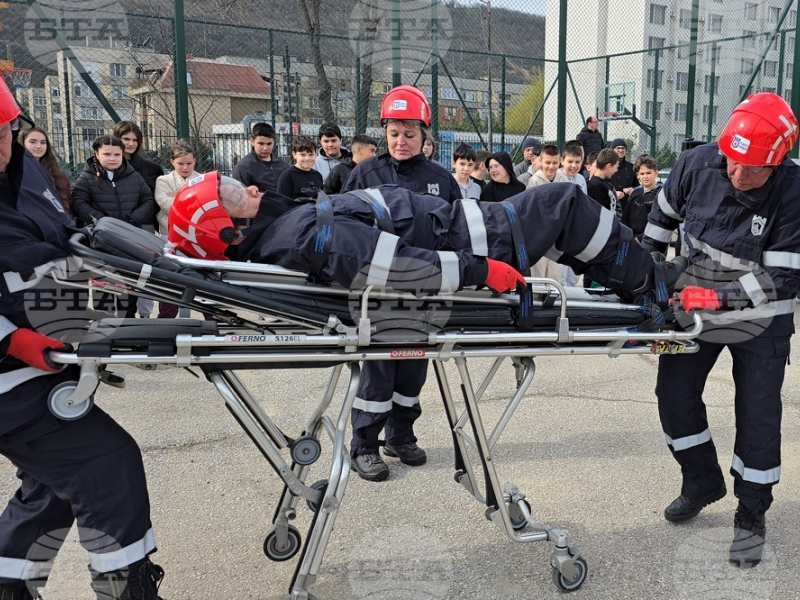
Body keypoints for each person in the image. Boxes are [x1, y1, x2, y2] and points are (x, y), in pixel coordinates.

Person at [0, 79, 167, 600]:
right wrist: (14, 341)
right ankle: (127, 590)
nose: (0, 146)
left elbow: (52, 240)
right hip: (12, 379)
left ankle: (8, 584)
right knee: (104, 465)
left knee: (51, 486)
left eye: (3, 132)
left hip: (49, 353)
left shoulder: (21, 172)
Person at [640, 92, 800, 568]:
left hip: (760, 319)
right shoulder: (695, 163)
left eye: (753, 170)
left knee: (757, 412)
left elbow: (784, 277)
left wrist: (717, 297)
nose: (738, 175)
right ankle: (701, 480)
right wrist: (643, 280)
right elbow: (658, 224)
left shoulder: (793, 191)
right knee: (674, 394)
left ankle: (751, 513)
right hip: (695, 306)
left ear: (780, 161)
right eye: (733, 162)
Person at [341, 85, 460, 481]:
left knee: (413, 368)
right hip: (378, 287)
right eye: (394, 134)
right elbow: (342, 224)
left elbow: (455, 231)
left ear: (425, 136)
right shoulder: (365, 173)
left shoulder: (441, 179)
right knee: (378, 367)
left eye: (409, 134)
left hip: (424, 287)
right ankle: (364, 446)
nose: (401, 141)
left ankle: (401, 436)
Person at [71, 135, 158, 318]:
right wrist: (104, 223)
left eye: (117, 154)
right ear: (97, 153)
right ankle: (104, 332)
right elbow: (79, 203)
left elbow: (148, 200)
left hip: (129, 241)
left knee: (130, 288)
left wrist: (133, 219)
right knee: (103, 290)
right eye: (107, 154)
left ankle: (129, 329)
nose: (112, 158)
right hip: (101, 243)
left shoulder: (134, 176)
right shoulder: (86, 178)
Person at [113, 121, 164, 319]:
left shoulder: (151, 168)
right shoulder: (103, 165)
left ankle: (145, 315)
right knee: (119, 274)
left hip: (143, 226)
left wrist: (136, 218)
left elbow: (154, 199)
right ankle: (121, 317)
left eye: (135, 140)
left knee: (145, 273)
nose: (131, 143)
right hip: (116, 227)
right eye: (126, 139)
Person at [154, 141, 202, 319]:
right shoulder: (163, 180)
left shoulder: (202, 179)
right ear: (172, 162)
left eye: (189, 163)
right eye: (180, 163)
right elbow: (166, 205)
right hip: (171, 235)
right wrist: (193, 200)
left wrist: (178, 197)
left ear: (195, 161)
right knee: (169, 278)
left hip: (196, 236)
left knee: (201, 277)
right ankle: (166, 319)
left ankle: (213, 322)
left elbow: (206, 206)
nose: (185, 167)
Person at [526, 144, 570, 282]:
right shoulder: (534, 180)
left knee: (555, 273)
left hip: (557, 236)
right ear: (540, 161)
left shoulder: (564, 180)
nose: (551, 166)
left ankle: (554, 302)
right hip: (540, 235)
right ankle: (537, 300)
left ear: (560, 161)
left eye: (555, 163)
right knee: (538, 272)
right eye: (547, 162)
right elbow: (532, 208)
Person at [19, 126, 71, 214]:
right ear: (22, 143)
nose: (39, 146)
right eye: (32, 142)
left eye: (43, 142)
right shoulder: (13, 172)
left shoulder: (58, 175)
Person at [232, 122, 289, 193]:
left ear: (274, 142)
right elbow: (239, 196)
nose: (265, 148)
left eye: (269, 144)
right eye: (261, 144)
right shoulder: (243, 167)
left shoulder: (283, 164)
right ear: (252, 141)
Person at [621, 154, 659, 241]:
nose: (645, 176)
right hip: (632, 238)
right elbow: (625, 217)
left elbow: (658, 222)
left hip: (651, 240)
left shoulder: (660, 195)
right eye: (642, 174)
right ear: (638, 176)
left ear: (656, 173)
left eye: (648, 173)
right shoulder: (635, 194)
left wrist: (640, 238)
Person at [276, 135, 323, 200]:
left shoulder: (317, 175)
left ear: (316, 154)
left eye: (311, 154)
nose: (307, 158)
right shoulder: (287, 176)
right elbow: (281, 202)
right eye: (302, 155)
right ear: (294, 154)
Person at [585, 148, 620, 217]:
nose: (616, 170)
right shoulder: (595, 186)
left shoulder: (606, 183)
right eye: (616, 167)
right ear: (608, 166)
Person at [608, 138, 637, 213]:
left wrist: (632, 189)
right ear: (613, 150)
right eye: (618, 148)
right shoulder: (607, 166)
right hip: (611, 204)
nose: (620, 150)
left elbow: (637, 185)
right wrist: (614, 193)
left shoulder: (631, 167)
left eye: (623, 148)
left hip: (628, 205)